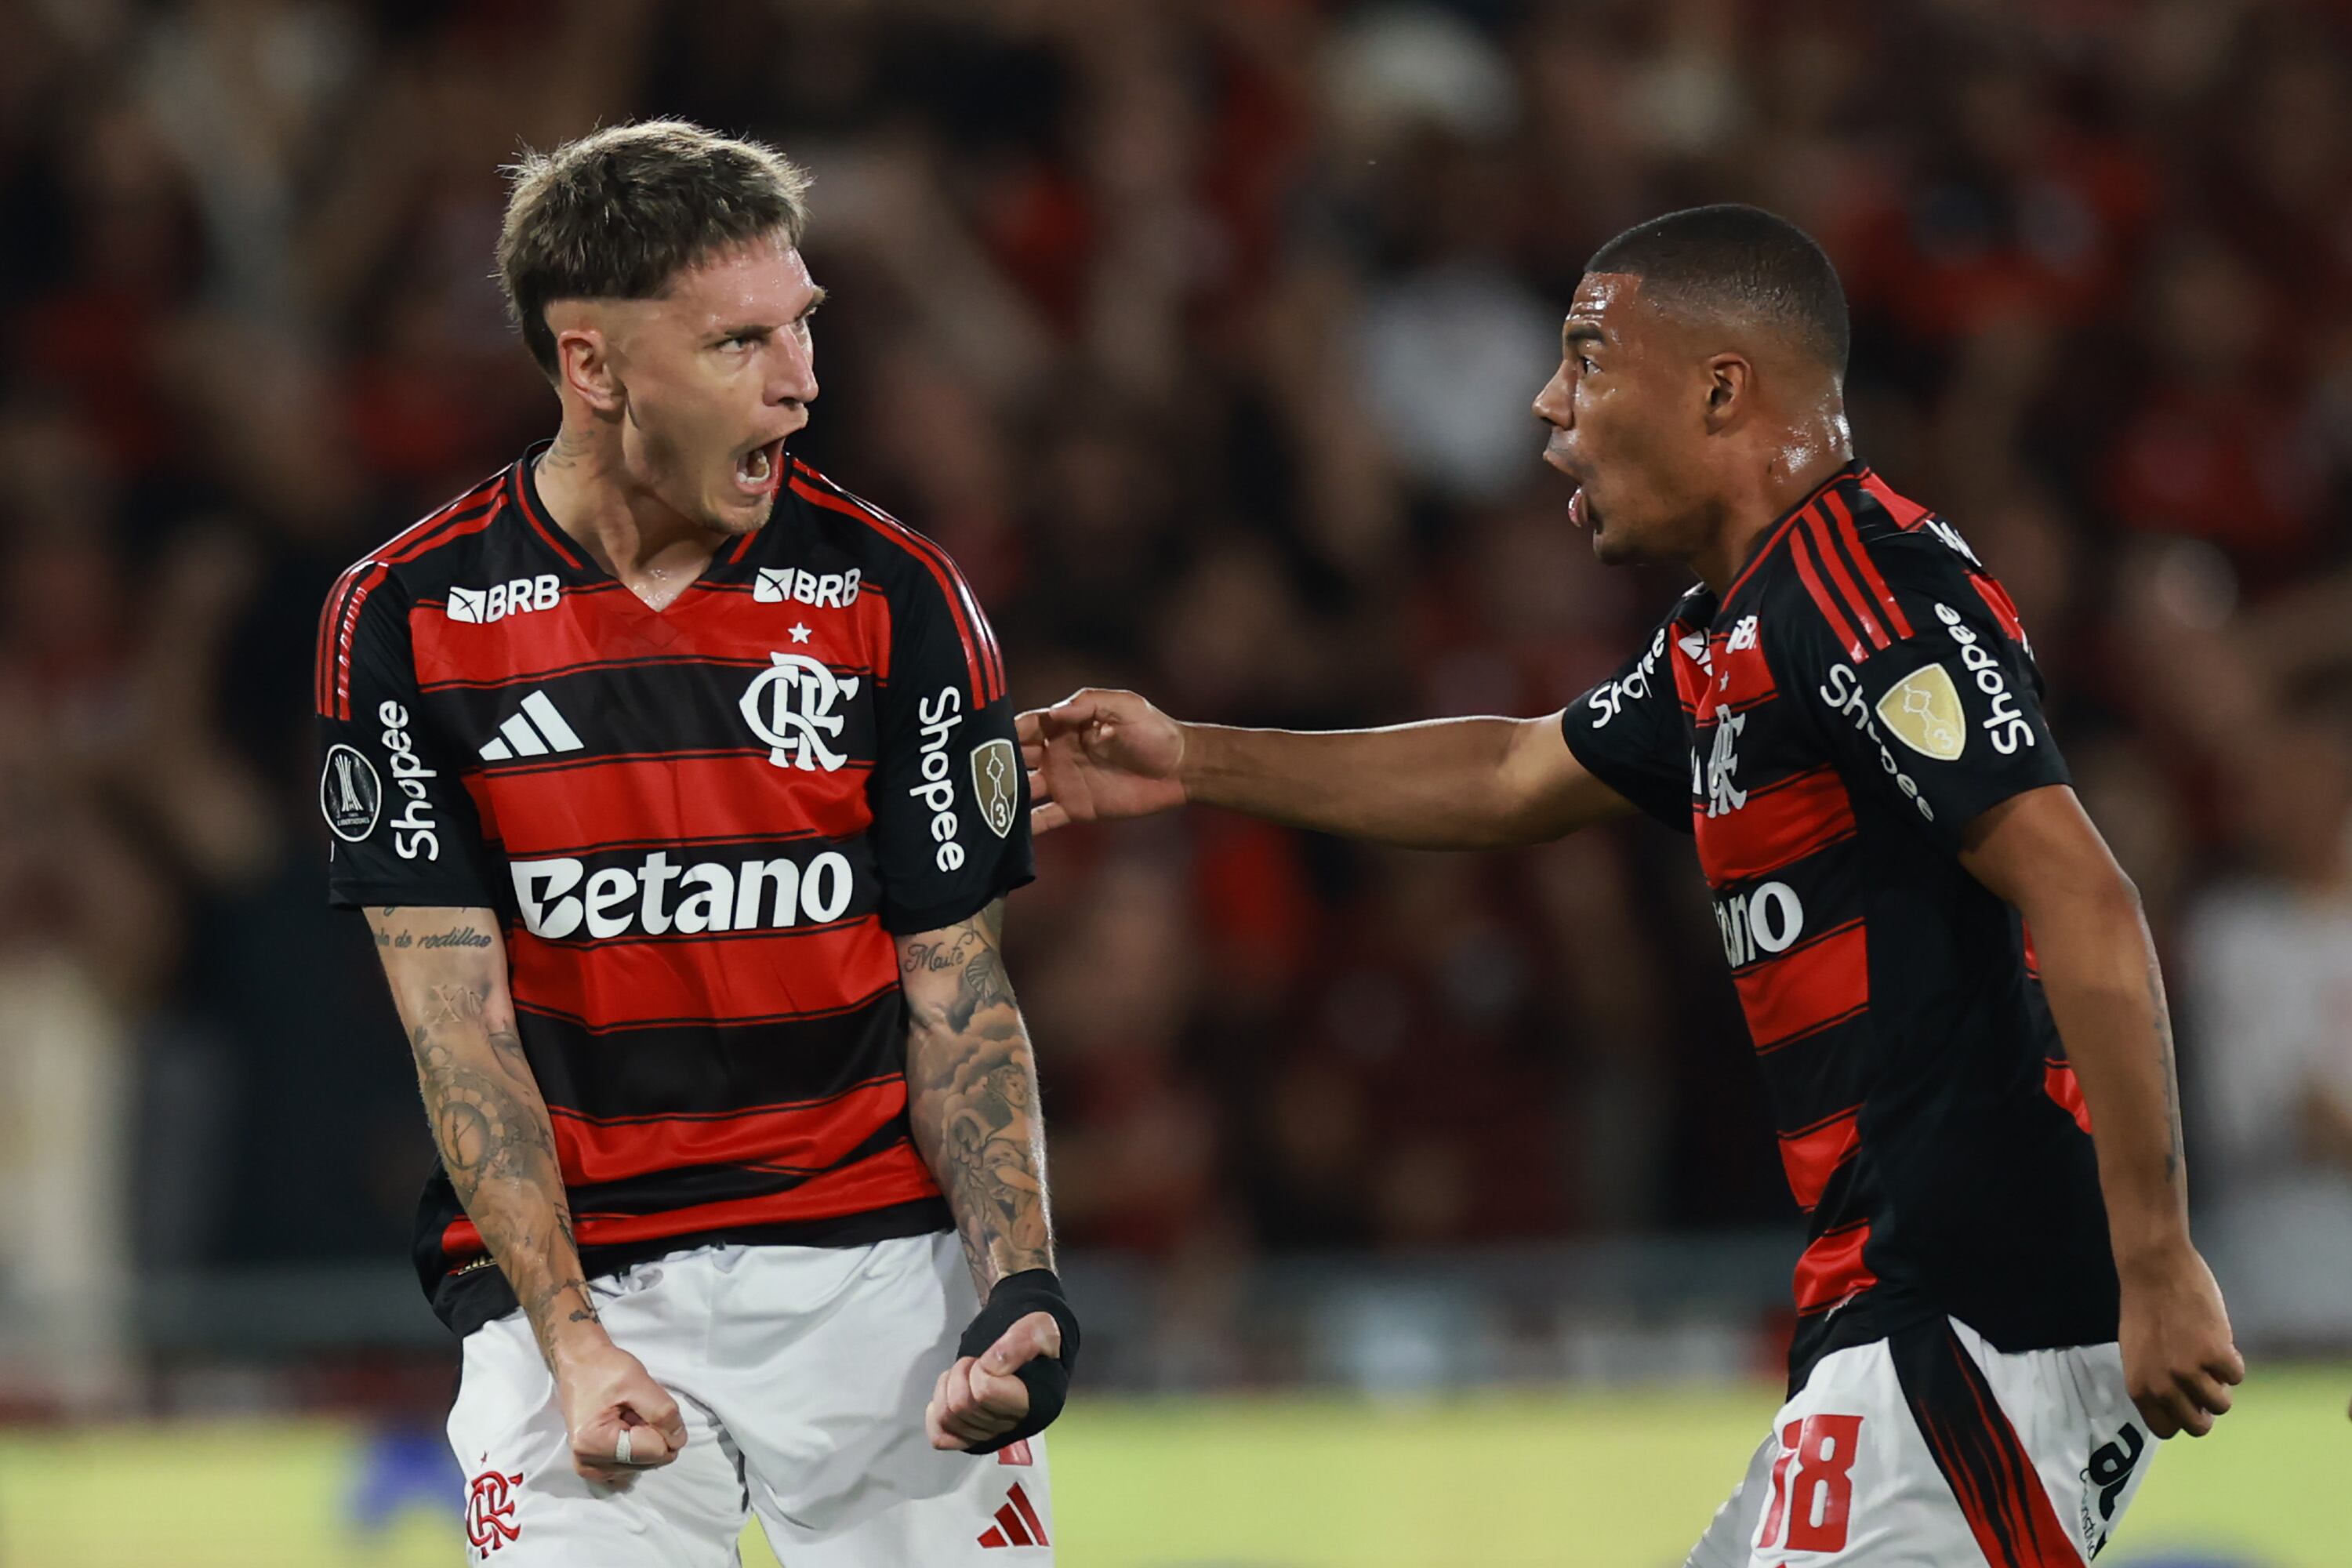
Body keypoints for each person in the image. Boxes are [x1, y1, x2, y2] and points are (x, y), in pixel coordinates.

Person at [1022, 205, 2241, 1564]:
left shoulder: (1859, 592)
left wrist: (2158, 1262)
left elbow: (2084, 895)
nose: (1550, 402)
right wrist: (1190, 759)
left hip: (1982, 1303)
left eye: (1590, 359)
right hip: (1886, 1307)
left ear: (1722, 390)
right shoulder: (1734, 631)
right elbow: (1510, 776)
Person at [315, 121, 1073, 1565]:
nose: (802, 382)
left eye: (803, 326)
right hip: (576, 1286)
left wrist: (1017, 1284)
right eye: (741, 345)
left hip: (874, 1276)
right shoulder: (403, 619)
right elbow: (458, 1028)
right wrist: (574, 1343)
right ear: (592, 365)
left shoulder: (897, 597)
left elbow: (958, 997)